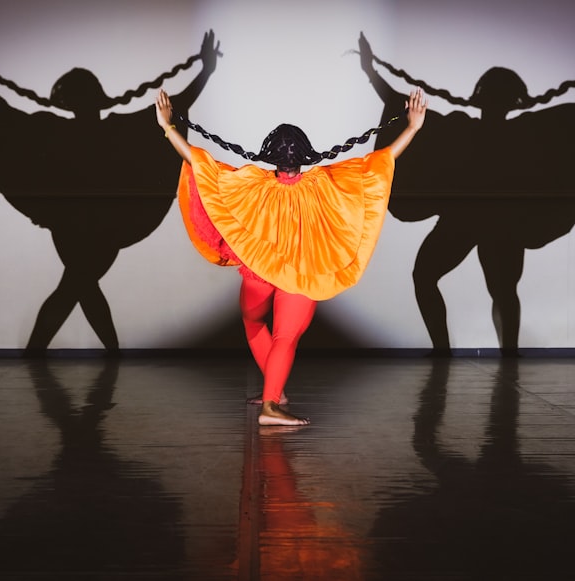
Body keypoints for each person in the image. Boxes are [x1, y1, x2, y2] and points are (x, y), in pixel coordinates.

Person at [358, 29, 575, 357]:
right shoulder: (510, 133)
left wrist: (370, 71)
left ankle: (460, 351)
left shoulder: (471, 131)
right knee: (479, 286)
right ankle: (485, 352)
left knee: (473, 285)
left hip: (479, 224)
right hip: (489, 224)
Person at [154, 86, 427, 426]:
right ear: (304, 155)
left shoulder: (252, 182)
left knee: (253, 323)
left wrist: (167, 126)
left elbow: (199, 162)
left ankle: (276, 393)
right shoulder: (324, 182)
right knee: (285, 337)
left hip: (256, 276)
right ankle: (271, 406)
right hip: (301, 275)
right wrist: (413, 126)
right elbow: (379, 164)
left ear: (272, 156)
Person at [0, 30, 220, 355]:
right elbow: (0, 110)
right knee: (80, 283)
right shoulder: (95, 130)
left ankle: (47, 352)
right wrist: (206, 71)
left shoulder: (66, 131)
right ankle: (83, 354)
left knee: (78, 284)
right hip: (95, 224)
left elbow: (0, 110)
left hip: (81, 224)